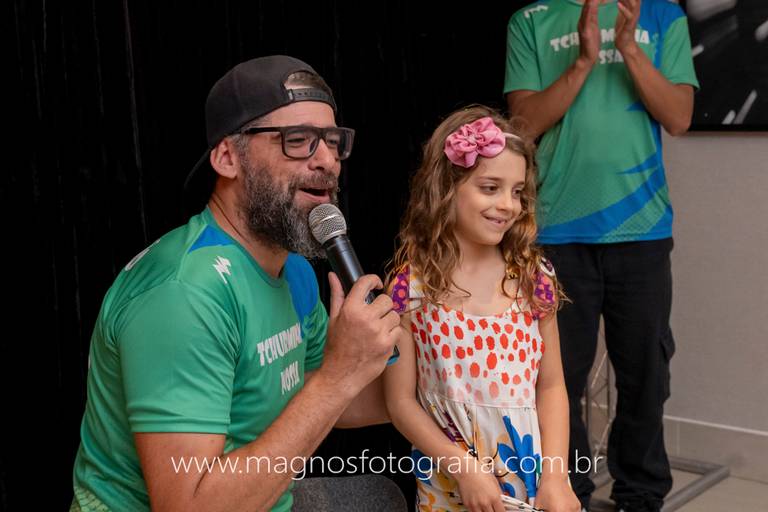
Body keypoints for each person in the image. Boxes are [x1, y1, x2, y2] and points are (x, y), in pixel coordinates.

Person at [70, 55, 401, 512]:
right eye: (298, 140)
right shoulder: (184, 294)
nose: (328, 161)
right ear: (228, 158)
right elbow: (189, 506)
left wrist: (443, 351)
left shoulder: (296, 271)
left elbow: (333, 403)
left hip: (259, 498)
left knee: (380, 496)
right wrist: (338, 376)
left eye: (332, 141)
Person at [504, 1, 699, 511]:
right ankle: (567, 493)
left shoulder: (663, 15)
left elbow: (679, 116)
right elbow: (521, 125)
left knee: (646, 373)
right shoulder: (531, 19)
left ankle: (641, 495)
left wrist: (629, 48)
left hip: (642, 228)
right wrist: (584, 61)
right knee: (556, 376)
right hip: (556, 231)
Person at [383, 105, 581, 512]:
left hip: (530, 485)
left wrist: (556, 478)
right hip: (450, 487)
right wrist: (464, 469)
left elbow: (551, 386)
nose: (508, 204)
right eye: (490, 188)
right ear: (447, 188)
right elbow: (400, 402)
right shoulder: (410, 288)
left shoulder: (534, 279)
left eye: (517, 191)